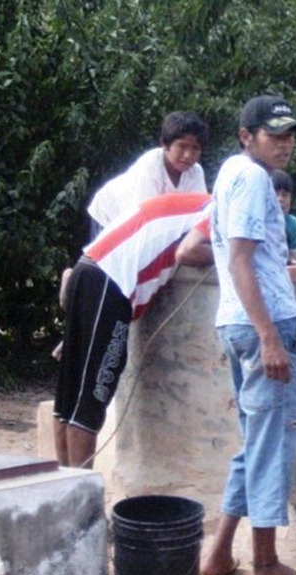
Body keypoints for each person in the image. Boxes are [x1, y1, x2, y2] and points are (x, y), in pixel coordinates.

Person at [198, 95, 296, 575]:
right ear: (247, 136)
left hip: (237, 323)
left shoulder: (229, 174)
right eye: (275, 135)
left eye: (290, 135)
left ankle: (219, 553)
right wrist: (270, 337)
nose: (286, 144)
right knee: (273, 443)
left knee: (255, 441)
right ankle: (265, 564)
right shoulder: (251, 179)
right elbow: (241, 261)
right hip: (263, 324)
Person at [52, 192, 214, 470]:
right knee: (91, 398)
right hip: (111, 282)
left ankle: (65, 490)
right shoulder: (222, 209)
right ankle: (81, 502)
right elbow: (188, 252)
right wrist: (234, 252)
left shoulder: (198, 202)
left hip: (89, 268)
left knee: (68, 399)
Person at [87, 111, 210, 238]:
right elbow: (146, 216)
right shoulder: (151, 164)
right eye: (182, 146)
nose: (188, 155)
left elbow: (200, 214)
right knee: (107, 257)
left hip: (146, 224)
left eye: (195, 148)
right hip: (110, 215)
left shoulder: (196, 172)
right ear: (165, 144)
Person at [271, 170, 296, 251]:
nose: (280, 199)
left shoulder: (293, 225)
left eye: (285, 195)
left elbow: (295, 255)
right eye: (275, 194)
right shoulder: (257, 223)